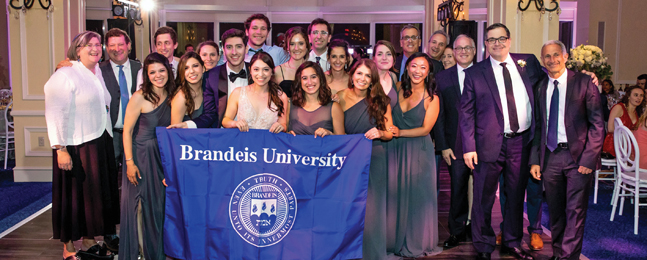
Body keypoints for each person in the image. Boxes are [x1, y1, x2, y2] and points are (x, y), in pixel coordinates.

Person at [460, 23, 543, 260]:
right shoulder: (475, 73)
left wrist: (585, 76)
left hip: (521, 143)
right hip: (487, 145)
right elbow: (466, 114)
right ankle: (484, 245)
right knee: (483, 199)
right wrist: (469, 147)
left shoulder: (529, 64)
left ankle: (511, 242)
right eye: (491, 40)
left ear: (509, 40)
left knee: (516, 196)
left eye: (501, 38)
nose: (497, 43)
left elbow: (551, 80)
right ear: (485, 44)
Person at [44, 31, 119, 260]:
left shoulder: (96, 72)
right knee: (72, 199)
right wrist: (60, 149)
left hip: (98, 141)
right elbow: (55, 111)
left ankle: (88, 241)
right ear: (78, 49)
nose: (95, 48)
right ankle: (68, 248)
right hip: (74, 146)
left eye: (98, 44)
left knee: (91, 198)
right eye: (89, 45)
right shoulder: (65, 74)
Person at [530, 40, 605, 260]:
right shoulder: (540, 87)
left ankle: (568, 257)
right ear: (543, 61)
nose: (552, 60)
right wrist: (535, 160)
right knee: (555, 211)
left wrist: (588, 160)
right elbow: (538, 127)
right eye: (547, 56)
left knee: (575, 212)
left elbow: (597, 124)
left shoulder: (583, 82)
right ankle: (558, 253)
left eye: (556, 55)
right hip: (550, 156)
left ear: (565, 57)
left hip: (578, 158)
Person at [388, 52, 443, 258]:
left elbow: (426, 129)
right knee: (396, 196)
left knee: (417, 199)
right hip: (395, 149)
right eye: (414, 66)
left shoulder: (432, 98)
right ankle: (395, 239)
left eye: (423, 67)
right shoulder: (398, 88)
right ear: (407, 68)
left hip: (418, 151)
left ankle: (416, 241)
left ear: (428, 72)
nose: (417, 71)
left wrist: (400, 132)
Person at [338, 58, 393, 260]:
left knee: (371, 209)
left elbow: (389, 133)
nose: (362, 78)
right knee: (349, 206)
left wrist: (380, 132)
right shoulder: (340, 97)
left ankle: (372, 254)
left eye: (367, 75)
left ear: (373, 80)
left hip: (374, 157)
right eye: (359, 73)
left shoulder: (381, 101)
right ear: (352, 75)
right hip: (348, 159)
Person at [121, 53, 175, 260]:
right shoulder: (139, 96)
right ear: (146, 75)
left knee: (158, 207)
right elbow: (127, 131)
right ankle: (142, 253)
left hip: (162, 156)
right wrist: (129, 162)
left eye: (161, 70)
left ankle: (156, 251)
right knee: (139, 206)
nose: (158, 75)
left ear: (168, 71)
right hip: (141, 155)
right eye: (152, 72)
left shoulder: (174, 95)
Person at [435, 34, 475, 249]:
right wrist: (443, 145)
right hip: (454, 145)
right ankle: (456, 232)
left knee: (482, 192)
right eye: (459, 48)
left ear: (475, 50)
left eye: (467, 47)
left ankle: (479, 230)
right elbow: (438, 115)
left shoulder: (484, 72)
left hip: (481, 144)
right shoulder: (443, 77)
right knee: (457, 191)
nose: (463, 51)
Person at [167, 29, 250, 129]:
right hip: (221, 136)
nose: (234, 52)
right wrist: (187, 124)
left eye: (239, 47)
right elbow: (209, 114)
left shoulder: (257, 73)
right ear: (223, 50)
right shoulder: (211, 76)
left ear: (246, 49)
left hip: (252, 135)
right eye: (229, 47)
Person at [222, 52, 288, 132]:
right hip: (244, 143)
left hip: (268, 143)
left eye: (266, 69)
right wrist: (235, 123)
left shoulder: (281, 96)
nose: (260, 74)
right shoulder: (238, 93)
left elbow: (283, 124)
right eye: (256, 69)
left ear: (272, 72)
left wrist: (280, 126)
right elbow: (225, 120)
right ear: (250, 70)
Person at [288, 61, 344, 136]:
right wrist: (286, 135)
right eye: (304, 78)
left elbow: (342, 141)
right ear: (299, 81)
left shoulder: (334, 107)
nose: (309, 82)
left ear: (320, 78)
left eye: (313, 77)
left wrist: (330, 134)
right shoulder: (290, 105)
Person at [602, 85, 644, 157]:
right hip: (615, 144)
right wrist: (629, 132)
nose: (639, 98)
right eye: (636, 95)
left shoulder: (637, 112)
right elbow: (610, 128)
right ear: (628, 96)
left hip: (628, 146)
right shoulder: (619, 107)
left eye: (641, 96)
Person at [273, 26, 310, 98]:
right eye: (292, 44)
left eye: (301, 43)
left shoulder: (314, 70)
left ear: (307, 46)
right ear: (287, 47)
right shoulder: (277, 71)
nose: (296, 48)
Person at [170, 52, 205, 124]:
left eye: (195, 66)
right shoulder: (181, 97)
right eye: (186, 68)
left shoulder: (207, 87)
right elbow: (175, 130)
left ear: (203, 68)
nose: (192, 71)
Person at [373, 40, 399, 109]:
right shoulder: (369, 78)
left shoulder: (393, 77)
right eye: (380, 54)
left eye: (388, 54)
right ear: (374, 59)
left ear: (393, 58)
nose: (384, 58)